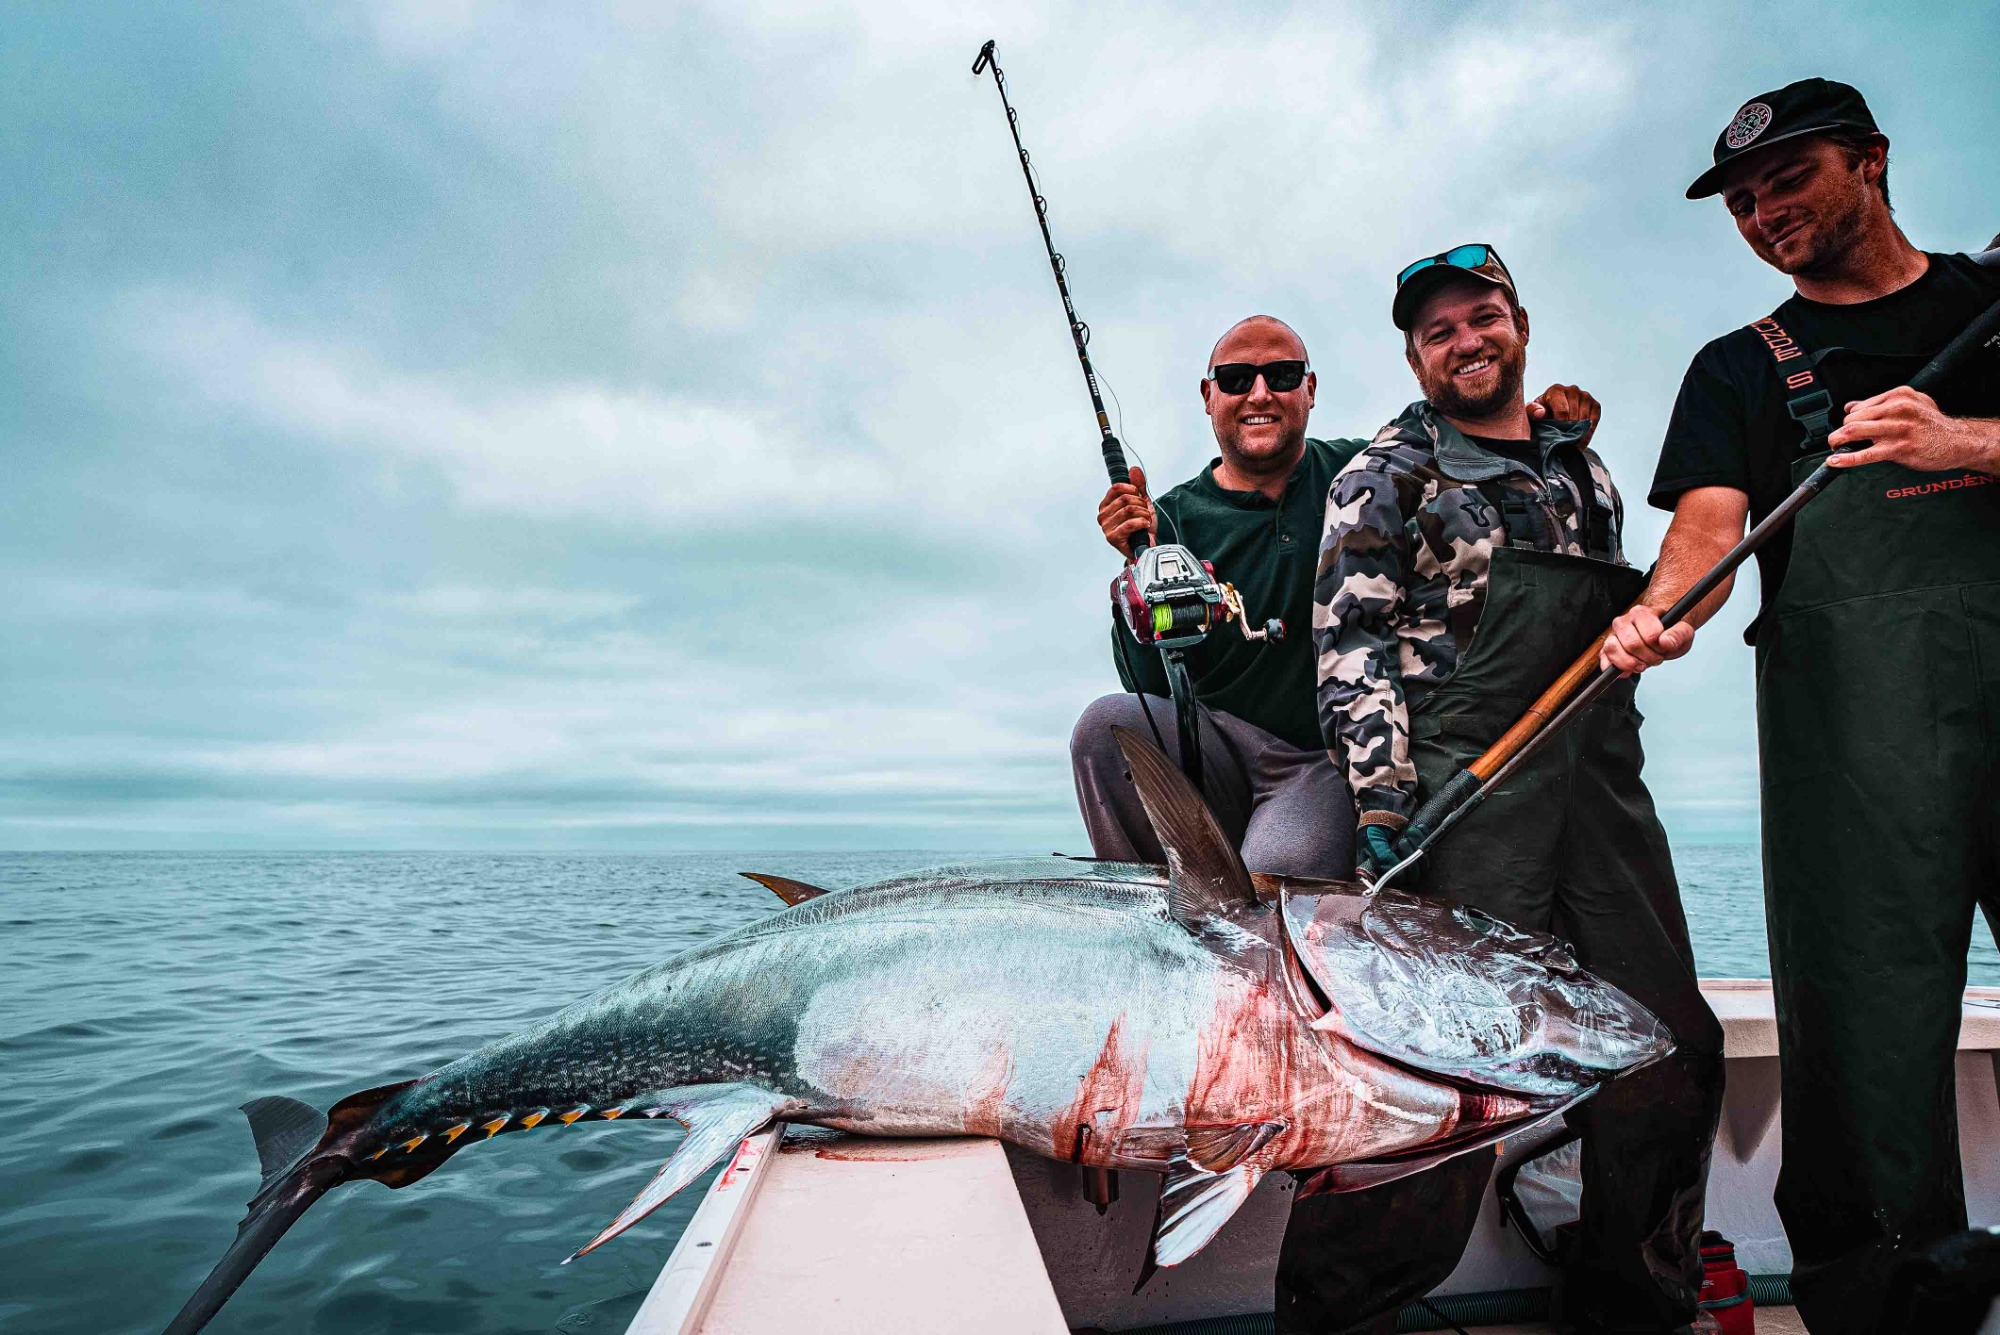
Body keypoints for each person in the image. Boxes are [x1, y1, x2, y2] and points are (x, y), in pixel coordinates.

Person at [1601, 78, 2000, 1334]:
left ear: (1871, 161)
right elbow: (1705, 532)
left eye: (1786, 178)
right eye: (1739, 200)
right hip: (1857, 757)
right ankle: (1886, 1295)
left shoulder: (1988, 312)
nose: (1761, 212)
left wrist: (1966, 445)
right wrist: (1656, 612)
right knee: (1862, 1044)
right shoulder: (1736, 369)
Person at [1304, 247, 1724, 1334]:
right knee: (1439, 1079)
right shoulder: (1385, 475)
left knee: (1664, 1043)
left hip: (1600, 788)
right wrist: (1385, 810)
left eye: (1479, 318)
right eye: (1436, 332)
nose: (1463, 342)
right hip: (1462, 797)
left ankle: (1631, 1300)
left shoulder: (1577, 468)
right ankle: (1340, 1316)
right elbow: (1348, 651)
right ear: (1412, 354)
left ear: (1519, 324)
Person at [1072, 313, 1598, 887]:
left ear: (1311, 389)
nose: (1259, 394)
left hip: (1321, 761)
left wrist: (1535, 422)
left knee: (1279, 880)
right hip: (1216, 748)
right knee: (1106, 725)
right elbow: (1148, 686)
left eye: (1282, 374)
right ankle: (1149, 914)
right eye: (1234, 379)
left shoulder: (1366, 471)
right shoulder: (1171, 517)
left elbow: (1466, 453)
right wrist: (1135, 571)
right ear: (1207, 395)